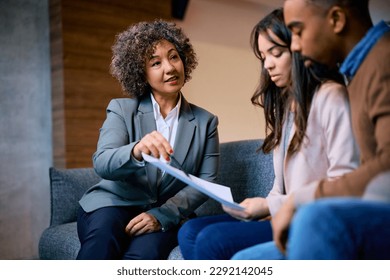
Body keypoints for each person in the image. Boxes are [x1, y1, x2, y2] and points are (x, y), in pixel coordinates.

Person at [177, 8, 359, 260]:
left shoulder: (332, 96)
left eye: (276, 53)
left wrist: (271, 206)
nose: (267, 65)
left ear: (299, 47)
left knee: (213, 240)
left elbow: (344, 181)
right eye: (263, 56)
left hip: (311, 218)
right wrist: (259, 207)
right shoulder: (287, 106)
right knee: (189, 231)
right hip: (283, 213)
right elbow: (280, 185)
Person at [76, 19, 220, 260]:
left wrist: (163, 214)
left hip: (163, 210)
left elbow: (206, 182)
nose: (170, 68)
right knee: (101, 244)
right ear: (141, 72)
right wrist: (135, 150)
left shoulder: (206, 121)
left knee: (144, 256)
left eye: (174, 57)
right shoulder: (122, 109)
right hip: (113, 203)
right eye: (156, 63)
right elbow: (102, 163)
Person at [270, 0, 390, 259]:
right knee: (244, 261)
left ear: (336, 19)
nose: (294, 46)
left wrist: (300, 198)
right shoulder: (358, 72)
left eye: (298, 31)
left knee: (316, 220)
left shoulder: (384, 61)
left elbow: (387, 169)